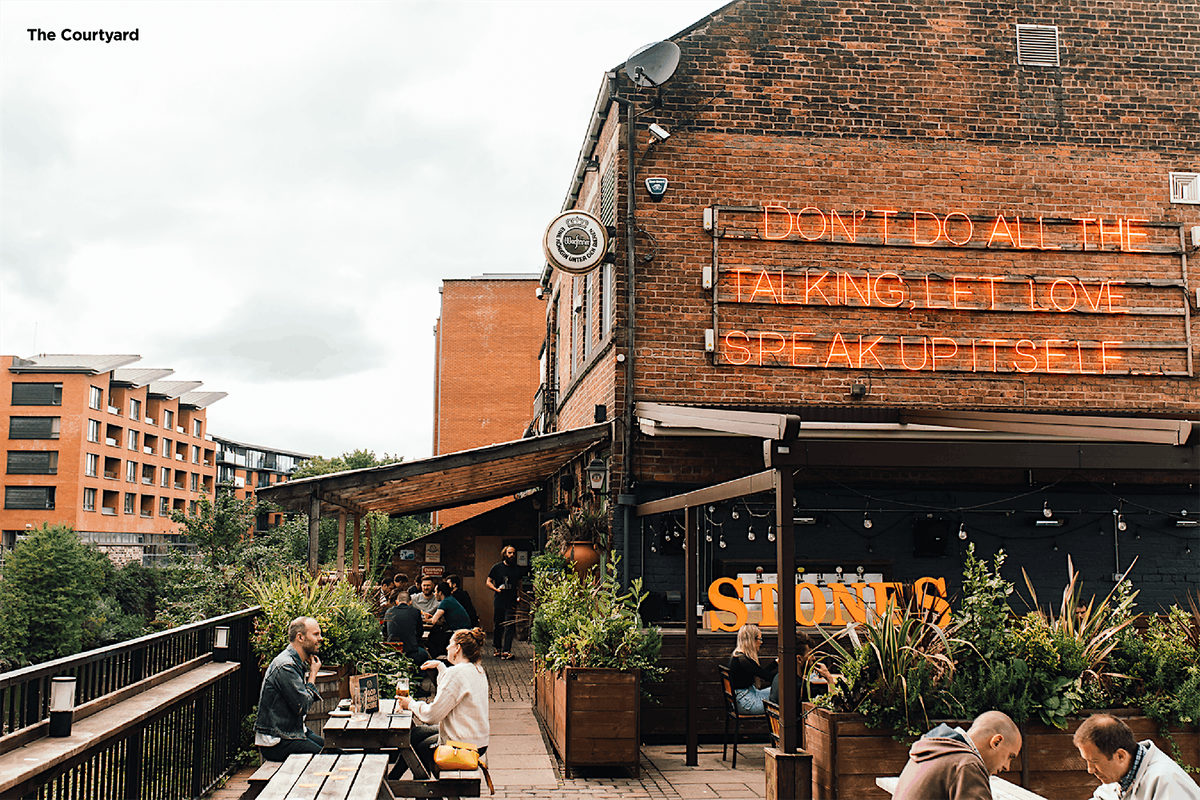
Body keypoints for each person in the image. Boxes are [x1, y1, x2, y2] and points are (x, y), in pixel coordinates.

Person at [394, 627, 490, 778]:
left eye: (450, 643)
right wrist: (440, 666)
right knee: (416, 734)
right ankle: (393, 780)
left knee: (418, 749)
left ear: (457, 648)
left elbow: (432, 715)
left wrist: (411, 704)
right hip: (477, 741)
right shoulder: (476, 669)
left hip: (464, 746)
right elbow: (453, 692)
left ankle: (422, 790)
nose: (447, 647)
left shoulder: (456, 673)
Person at [892, 710, 1022, 800]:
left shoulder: (933, 748)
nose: (1007, 767)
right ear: (996, 741)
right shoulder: (966, 764)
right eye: (1010, 757)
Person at [1074, 714, 1200, 800]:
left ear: (1120, 756)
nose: (1090, 770)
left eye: (1094, 761)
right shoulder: (1117, 777)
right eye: (1087, 761)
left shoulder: (1167, 781)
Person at [254, 616, 326, 761]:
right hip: (278, 741)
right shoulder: (286, 666)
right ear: (300, 637)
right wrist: (313, 674)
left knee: (334, 750)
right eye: (316, 634)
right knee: (327, 760)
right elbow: (302, 706)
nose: (321, 638)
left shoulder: (294, 662)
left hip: (292, 732)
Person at [486, 545, 526, 659]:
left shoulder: (517, 569)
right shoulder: (497, 567)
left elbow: (519, 584)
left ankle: (506, 650)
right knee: (498, 624)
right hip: (499, 599)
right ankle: (497, 648)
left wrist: (520, 595)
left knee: (510, 625)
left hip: (511, 600)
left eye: (513, 553)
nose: (511, 555)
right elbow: (488, 581)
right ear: (504, 554)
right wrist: (496, 589)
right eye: (509, 553)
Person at [727, 623, 777, 715]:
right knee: (783, 698)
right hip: (747, 703)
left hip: (746, 697)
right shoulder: (743, 661)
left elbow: (761, 672)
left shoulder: (738, 656)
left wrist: (775, 664)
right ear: (751, 640)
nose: (761, 642)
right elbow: (768, 677)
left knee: (778, 692)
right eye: (760, 639)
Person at [427, 581, 472, 657]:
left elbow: (434, 621)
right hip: (464, 630)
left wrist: (425, 620)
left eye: (435, 592)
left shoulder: (445, 602)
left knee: (432, 639)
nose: (434, 594)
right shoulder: (451, 599)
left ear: (440, 592)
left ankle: (437, 658)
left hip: (458, 632)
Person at [386, 586, 430, 664]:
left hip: (392, 651)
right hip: (411, 652)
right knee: (425, 654)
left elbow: (385, 632)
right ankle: (418, 674)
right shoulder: (416, 612)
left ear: (397, 602)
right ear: (410, 602)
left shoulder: (389, 611)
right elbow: (420, 632)